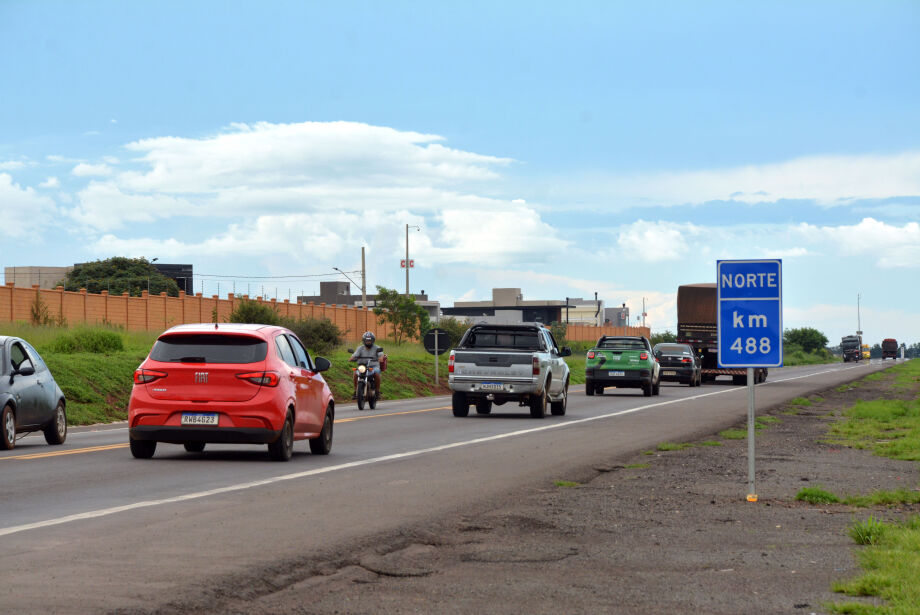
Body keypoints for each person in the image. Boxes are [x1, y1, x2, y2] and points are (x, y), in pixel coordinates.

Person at [349, 331, 383, 399]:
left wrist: (380, 358)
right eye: (367, 341)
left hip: (374, 366)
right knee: (355, 374)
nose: (368, 342)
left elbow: (381, 355)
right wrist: (352, 358)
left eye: (370, 341)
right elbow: (355, 355)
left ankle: (377, 391)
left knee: (376, 373)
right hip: (362, 366)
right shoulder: (360, 348)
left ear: (373, 341)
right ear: (364, 341)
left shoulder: (377, 348)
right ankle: (356, 391)